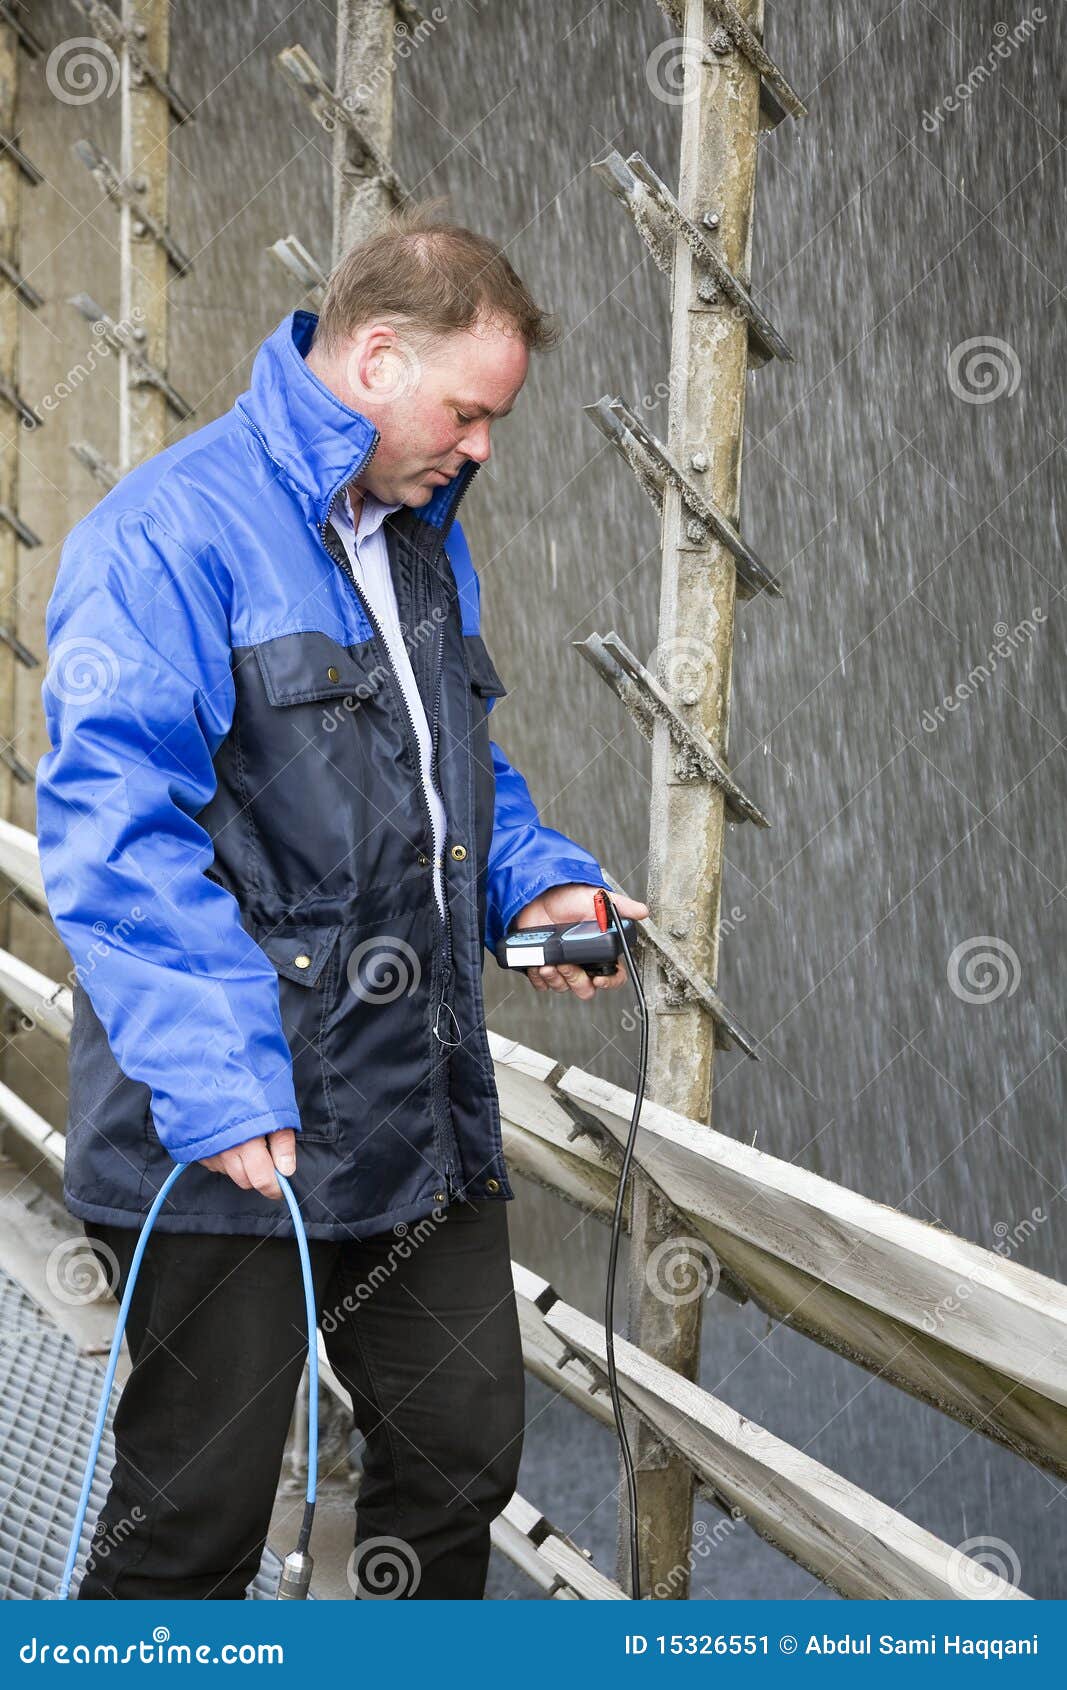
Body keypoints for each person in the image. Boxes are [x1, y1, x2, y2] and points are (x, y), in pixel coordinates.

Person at [35, 202, 648, 1601]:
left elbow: (439, 767)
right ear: (374, 357)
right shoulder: (168, 536)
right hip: (227, 1121)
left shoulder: (417, 534)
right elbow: (112, 828)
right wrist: (216, 1074)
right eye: (471, 410)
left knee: (457, 1453)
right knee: (195, 1516)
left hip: (405, 1108)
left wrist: (529, 877)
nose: (483, 445)